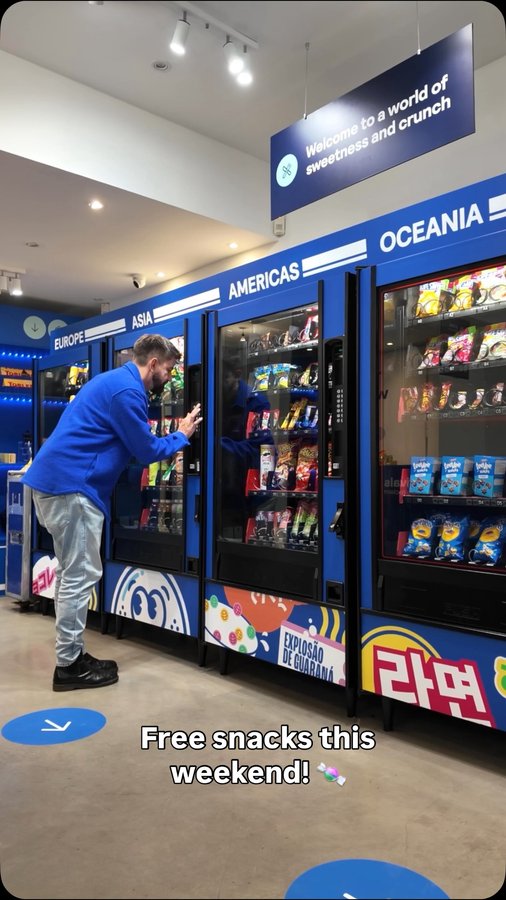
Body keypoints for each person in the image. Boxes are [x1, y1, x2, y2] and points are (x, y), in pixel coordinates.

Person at [22, 334, 202, 692]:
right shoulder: (127, 392)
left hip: (56, 483)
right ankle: (68, 666)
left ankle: (72, 654)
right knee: (80, 574)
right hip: (72, 487)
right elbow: (147, 449)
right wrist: (181, 435)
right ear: (152, 363)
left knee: (72, 572)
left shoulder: (111, 380)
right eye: (167, 369)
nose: (168, 377)